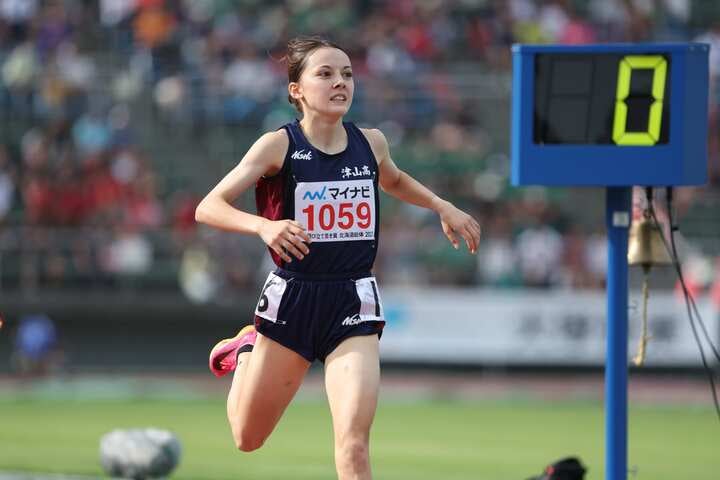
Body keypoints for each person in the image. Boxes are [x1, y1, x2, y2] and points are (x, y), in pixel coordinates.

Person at [195, 36, 481, 480]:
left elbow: (395, 180)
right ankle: (247, 350)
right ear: (297, 90)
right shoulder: (277, 146)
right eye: (325, 74)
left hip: (352, 299)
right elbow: (208, 206)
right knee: (246, 437)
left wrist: (441, 206)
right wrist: (264, 226)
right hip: (293, 298)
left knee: (353, 447)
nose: (340, 82)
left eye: (346, 73)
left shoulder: (371, 143)